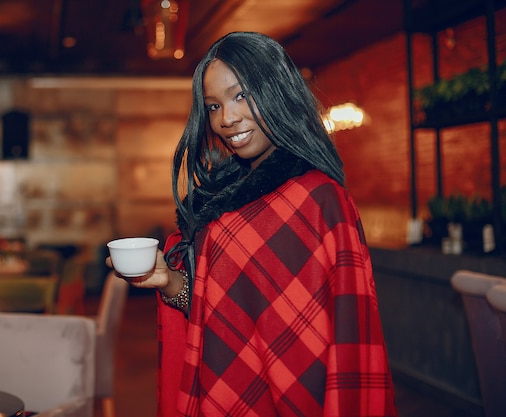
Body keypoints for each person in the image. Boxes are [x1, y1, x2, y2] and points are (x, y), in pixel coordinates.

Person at [107, 32, 398, 417]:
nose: (226, 119)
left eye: (241, 95)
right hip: (231, 388)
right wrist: (170, 282)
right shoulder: (226, 200)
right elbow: (226, 314)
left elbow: (345, 334)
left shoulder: (319, 200)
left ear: (277, 90)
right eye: (213, 106)